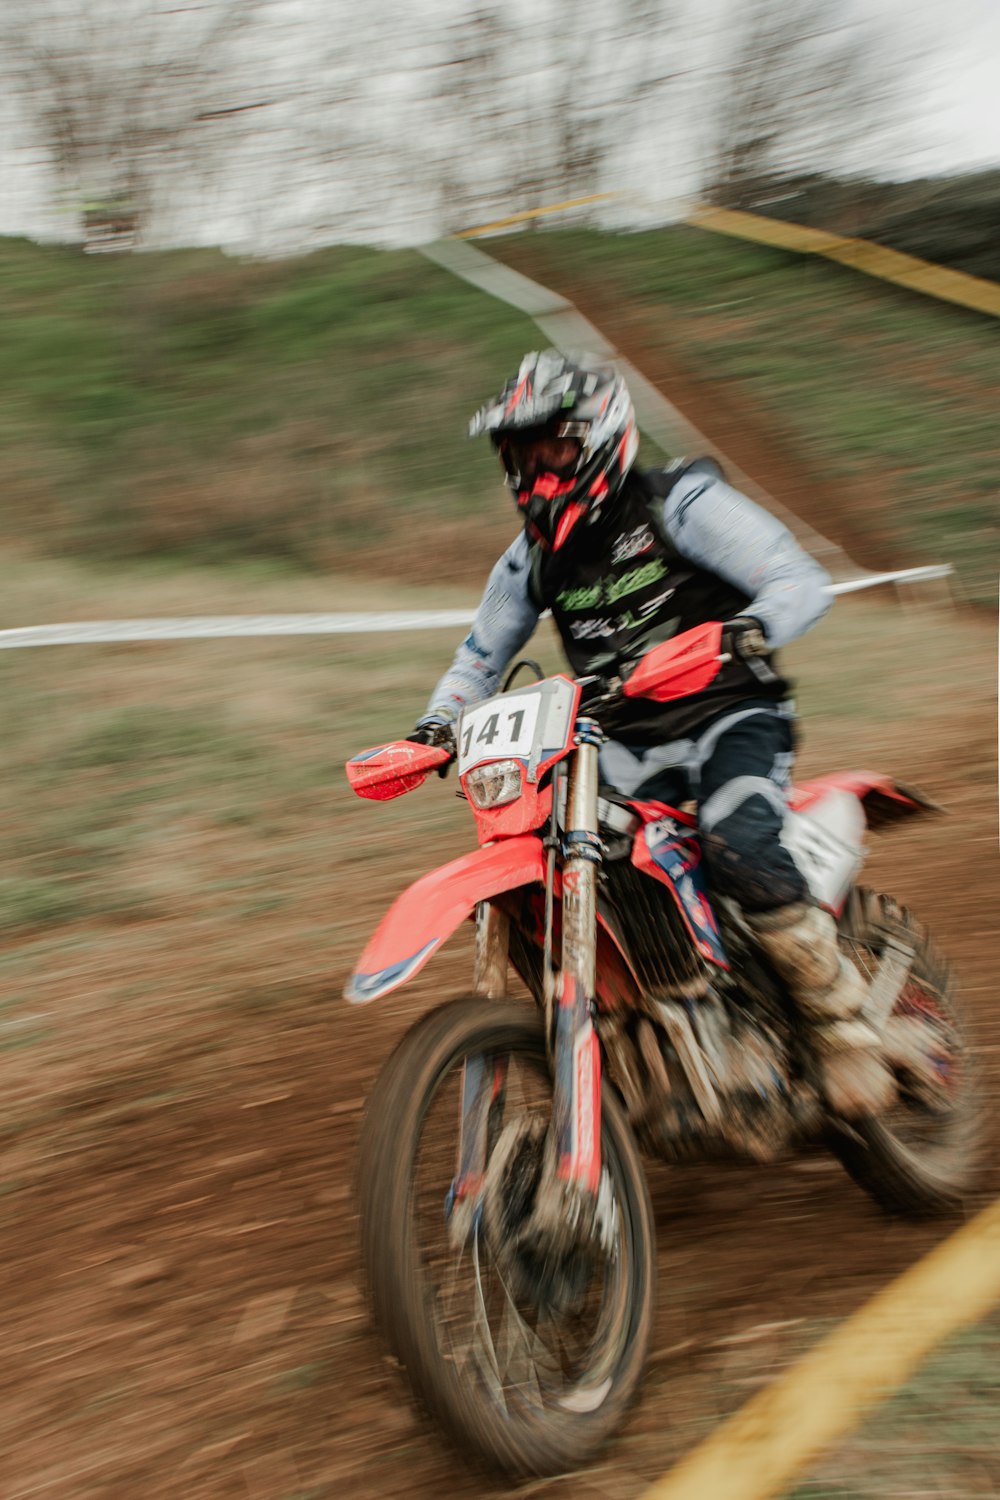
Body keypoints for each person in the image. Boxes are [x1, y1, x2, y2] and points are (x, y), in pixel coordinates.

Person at [408, 349, 892, 1118]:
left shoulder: (682, 505)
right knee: (566, 865)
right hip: (615, 744)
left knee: (736, 841)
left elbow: (799, 580)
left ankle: (841, 1022)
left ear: (600, 438)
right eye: (521, 458)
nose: (536, 476)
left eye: (553, 452)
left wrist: (745, 632)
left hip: (727, 715)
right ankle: (640, 1032)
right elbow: (478, 658)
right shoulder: (529, 561)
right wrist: (435, 727)